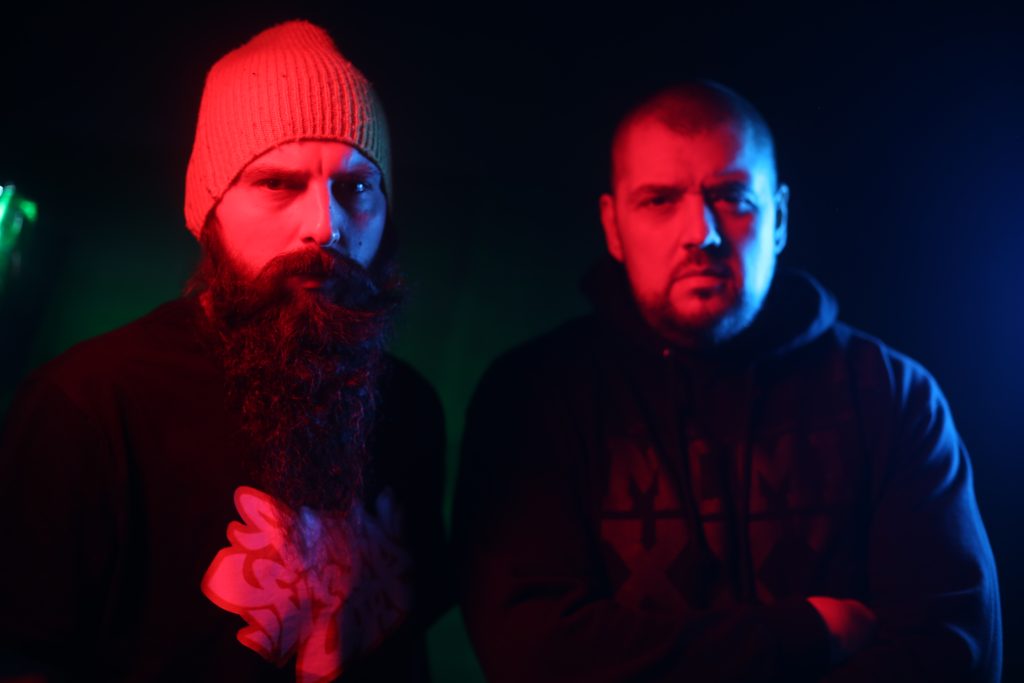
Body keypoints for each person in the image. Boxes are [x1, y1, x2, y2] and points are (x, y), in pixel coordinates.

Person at [453, 81, 1002, 682]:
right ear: (613, 227)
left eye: (732, 197)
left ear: (779, 218)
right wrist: (804, 632)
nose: (702, 233)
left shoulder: (890, 393)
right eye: (659, 200)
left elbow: (954, 651)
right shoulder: (532, 399)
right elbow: (530, 653)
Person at [0, 20, 448, 682]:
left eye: (356, 187)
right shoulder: (88, 406)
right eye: (278, 183)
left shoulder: (409, 406)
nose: (324, 226)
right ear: (208, 211)